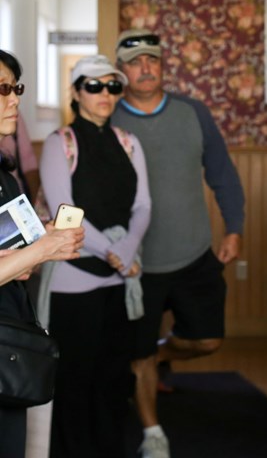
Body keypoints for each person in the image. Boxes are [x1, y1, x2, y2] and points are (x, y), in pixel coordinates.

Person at [111, 29, 245, 458]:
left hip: (193, 254)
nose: (145, 68)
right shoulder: (108, 118)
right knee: (138, 355)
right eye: (135, 62)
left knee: (207, 341)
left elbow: (221, 172)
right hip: (135, 264)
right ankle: (152, 433)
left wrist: (234, 227)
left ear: (162, 65)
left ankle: (160, 353)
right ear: (122, 71)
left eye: (152, 60)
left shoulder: (193, 112)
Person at [38, 54, 151, 458]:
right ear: (75, 92)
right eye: (94, 85)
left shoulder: (128, 141)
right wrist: (112, 252)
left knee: (112, 380)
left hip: (118, 280)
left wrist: (124, 251)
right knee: (74, 382)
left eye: (113, 86)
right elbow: (66, 212)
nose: (105, 94)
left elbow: (143, 206)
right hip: (73, 280)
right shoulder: (59, 143)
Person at [0, 49, 84, 457]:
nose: (15, 99)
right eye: (2, 90)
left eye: (15, 88)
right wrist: (45, 247)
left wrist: (39, 245)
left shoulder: (5, 171)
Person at [0, 110, 40, 201]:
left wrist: (34, 205)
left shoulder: (13, 115)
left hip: (14, 196)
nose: (15, 100)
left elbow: (29, 161)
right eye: (4, 94)